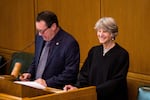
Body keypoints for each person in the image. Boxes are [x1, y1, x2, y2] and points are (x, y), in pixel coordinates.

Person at [63, 17, 129, 100]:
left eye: (104, 31)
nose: (100, 34)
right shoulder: (94, 51)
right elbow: (84, 74)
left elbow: (116, 82)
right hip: (91, 96)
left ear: (112, 33)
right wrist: (77, 88)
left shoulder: (122, 54)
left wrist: (92, 91)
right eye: (99, 31)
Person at [19, 11, 80, 89]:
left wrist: (47, 83)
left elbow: (70, 74)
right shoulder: (40, 37)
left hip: (54, 91)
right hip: (35, 87)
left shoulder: (69, 43)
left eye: (42, 31)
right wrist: (29, 73)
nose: (40, 34)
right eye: (38, 31)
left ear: (53, 26)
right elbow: (37, 60)